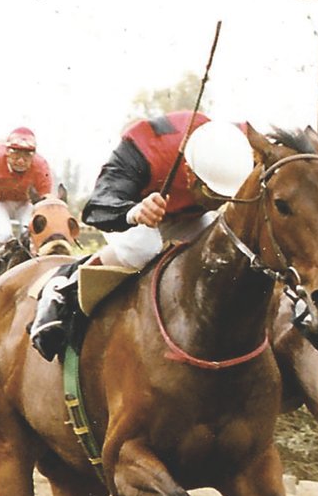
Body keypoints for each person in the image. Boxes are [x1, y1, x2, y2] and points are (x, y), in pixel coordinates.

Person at [28, 114, 254, 360]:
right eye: (214, 194)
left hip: (184, 215)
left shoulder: (241, 144)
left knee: (221, 244)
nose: (221, 202)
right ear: (190, 172)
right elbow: (95, 209)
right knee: (143, 245)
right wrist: (135, 212)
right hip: (133, 213)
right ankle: (62, 286)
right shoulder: (145, 149)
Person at [0, 127, 56, 245]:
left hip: (25, 202)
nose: (21, 161)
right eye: (16, 154)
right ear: (7, 152)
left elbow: (45, 200)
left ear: (33, 156)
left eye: (26, 155)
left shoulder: (41, 167)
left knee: (30, 234)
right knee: (3, 235)